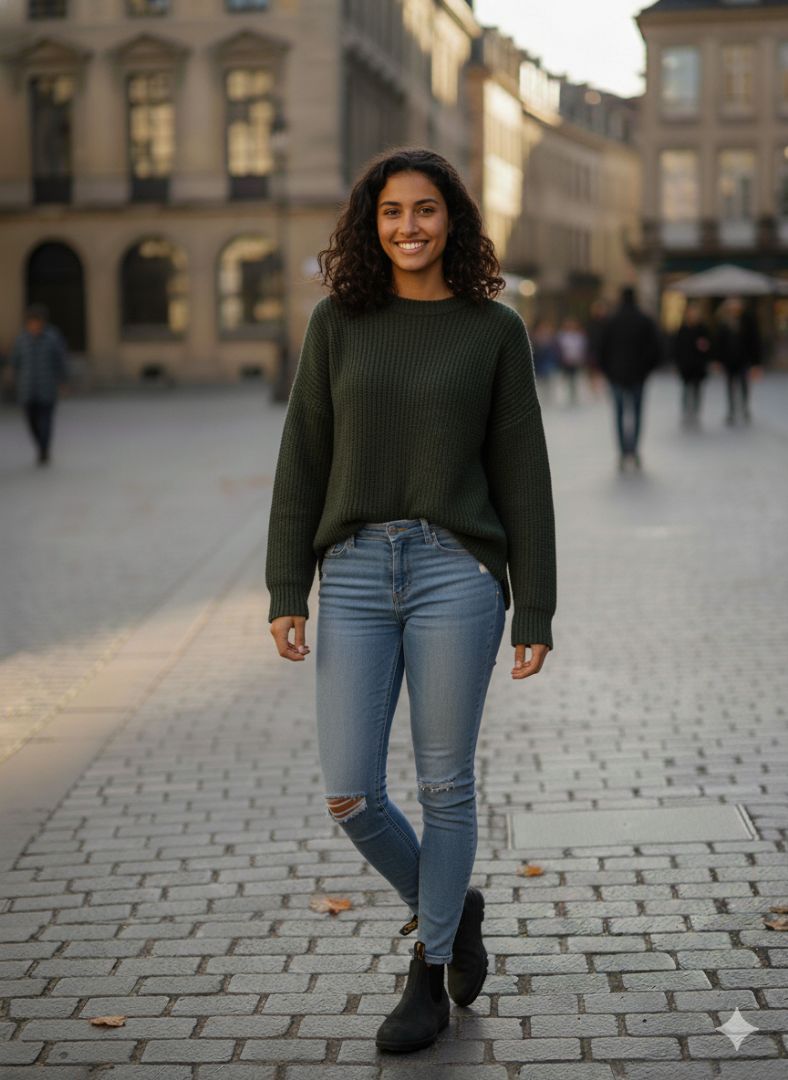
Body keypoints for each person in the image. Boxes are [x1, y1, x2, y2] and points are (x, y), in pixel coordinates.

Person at [265, 147, 556, 1054]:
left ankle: (427, 973)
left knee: (444, 784)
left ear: (452, 220)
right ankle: (453, 907)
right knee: (351, 792)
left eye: (425, 210)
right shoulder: (336, 323)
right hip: (353, 573)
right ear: (371, 222)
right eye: (392, 212)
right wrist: (286, 586)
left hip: (455, 571)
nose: (408, 227)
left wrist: (535, 607)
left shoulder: (493, 330)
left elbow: (524, 474)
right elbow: (302, 456)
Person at [597, 285, 662, 471]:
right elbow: (656, 349)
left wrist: (608, 372)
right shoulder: (644, 320)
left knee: (619, 414)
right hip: (638, 376)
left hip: (616, 376)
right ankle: (634, 449)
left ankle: (623, 451)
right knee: (637, 414)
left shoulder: (612, 320)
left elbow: (601, 349)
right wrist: (646, 370)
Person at [8, 303, 69, 466]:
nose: (34, 325)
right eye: (31, 322)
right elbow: (15, 362)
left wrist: (63, 381)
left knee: (46, 421)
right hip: (27, 389)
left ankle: (44, 449)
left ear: (43, 322)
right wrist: (12, 378)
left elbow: (61, 360)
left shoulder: (53, 338)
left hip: (47, 388)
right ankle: (40, 446)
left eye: (37, 322)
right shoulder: (21, 340)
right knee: (31, 421)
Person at [714, 296, 761, 425]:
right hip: (729, 361)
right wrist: (717, 360)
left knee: (744, 385)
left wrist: (756, 363)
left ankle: (744, 408)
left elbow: (754, 343)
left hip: (743, 360)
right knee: (730, 386)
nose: (734, 307)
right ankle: (731, 410)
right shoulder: (723, 322)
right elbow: (719, 343)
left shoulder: (748, 321)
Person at [671, 301, 711, 426]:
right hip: (686, 365)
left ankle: (696, 411)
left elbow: (708, 346)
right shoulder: (683, 329)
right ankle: (686, 411)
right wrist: (677, 363)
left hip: (698, 365)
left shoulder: (702, 329)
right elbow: (677, 347)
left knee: (697, 389)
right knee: (686, 389)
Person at [556, 315, 587, 405]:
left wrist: (580, 358)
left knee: (575, 379)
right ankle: (568, 396)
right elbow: (559, 349)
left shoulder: (579, 336)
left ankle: (575, 396)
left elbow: (582, 348)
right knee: (567, 379)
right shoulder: (562, 336)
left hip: (576, 361)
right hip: (566, 361)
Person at [530, 316, 561, 403]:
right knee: (540, 384)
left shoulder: (553, 338)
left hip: (550, 364)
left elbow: (557, 351)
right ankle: (541, 400)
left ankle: (549, 399)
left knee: (549, 383)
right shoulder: (533, 338)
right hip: (539, 365)